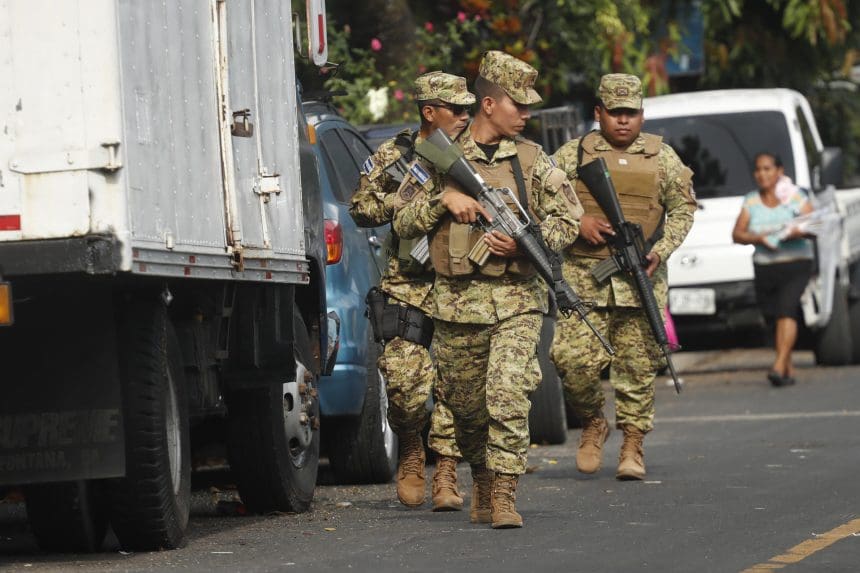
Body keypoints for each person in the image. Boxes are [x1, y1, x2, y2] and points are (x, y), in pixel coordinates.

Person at [393, 51, 582, 528]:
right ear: (489, 104)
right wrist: (444, 199)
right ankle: (480, 475)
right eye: (518, 104)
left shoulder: (534, 161)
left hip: (518, 302)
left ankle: (503, 493)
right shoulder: (439, 155)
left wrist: (525, 244)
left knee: (509, 392)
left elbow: (568, 221)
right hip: (456, 308)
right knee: (466, 408)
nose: (526, 114)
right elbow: (400, 219)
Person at [550, 73, 696, 481]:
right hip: (584, 278)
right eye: (614, 112)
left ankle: (633, 443)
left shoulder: (662, 158)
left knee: (636, 367)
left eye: (630, 113)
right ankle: (594, 421)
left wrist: (659, 251)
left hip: (640, 280)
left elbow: (683, 210)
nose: (623, 121)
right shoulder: (571, 155)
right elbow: (544, 201)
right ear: (599, 113)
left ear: (642, 115)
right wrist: (579, 222)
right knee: (571, 359)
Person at [349, 71, 475, 511]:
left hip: (463, 283)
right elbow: (361, 209)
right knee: (404, 384)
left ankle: (445, 470)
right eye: (456, 109)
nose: (465, 116)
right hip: (408, 282)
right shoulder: (395, 155)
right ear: (429, 112)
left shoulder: (476, 153)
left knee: (456, 385)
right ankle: (409, 442)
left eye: (468, 109)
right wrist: (404, 204)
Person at [731, 152, 814, 386]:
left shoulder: (795, 197)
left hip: (796, 263)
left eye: (767, 169)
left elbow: (815, 225)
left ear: (780, 171)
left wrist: (797, 231)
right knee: (773, 317)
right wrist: (758, 238)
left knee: (787, 309)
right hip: (766, 267)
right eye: (758, 170)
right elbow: (737, 233)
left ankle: (777, 365)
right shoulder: (751, 201)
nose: (762, 174)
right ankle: (787, 367)